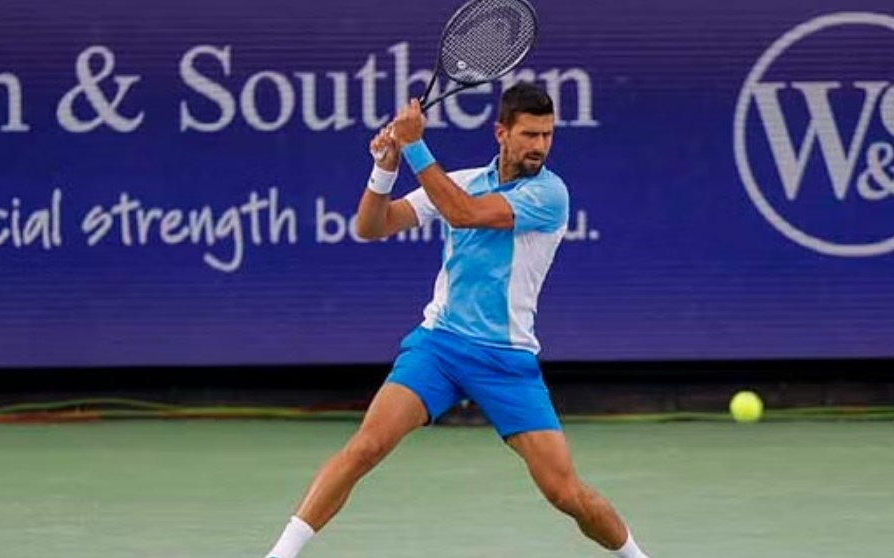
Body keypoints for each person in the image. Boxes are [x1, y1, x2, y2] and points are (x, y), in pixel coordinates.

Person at [263, 82, 652, 558]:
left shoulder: (550, 193)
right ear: (501, 132)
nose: (540, 145)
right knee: (366, 446)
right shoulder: (461, 180)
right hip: (440, 347)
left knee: (564, 492)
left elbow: (464, 213)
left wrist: (413, 144)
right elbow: (371, 227)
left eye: (548, 135)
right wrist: (384, 167)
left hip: (507, 361)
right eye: (529, 134)